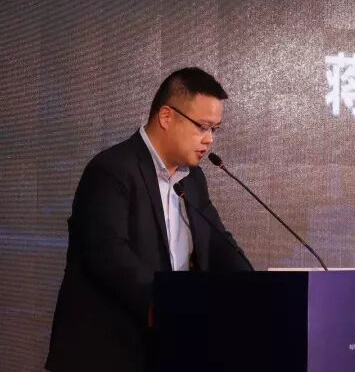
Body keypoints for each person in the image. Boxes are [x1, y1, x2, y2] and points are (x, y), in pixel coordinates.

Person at [46, 67, 253, 372]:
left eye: (215, 129)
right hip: (107, 352)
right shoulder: (111, 169)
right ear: (166, 116)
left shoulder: (193, 179)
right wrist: (173, 304)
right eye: (202, 127)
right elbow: (108, 255)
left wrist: (257, 290)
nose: (209, 140)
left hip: (167, 347)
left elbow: (218, 242)